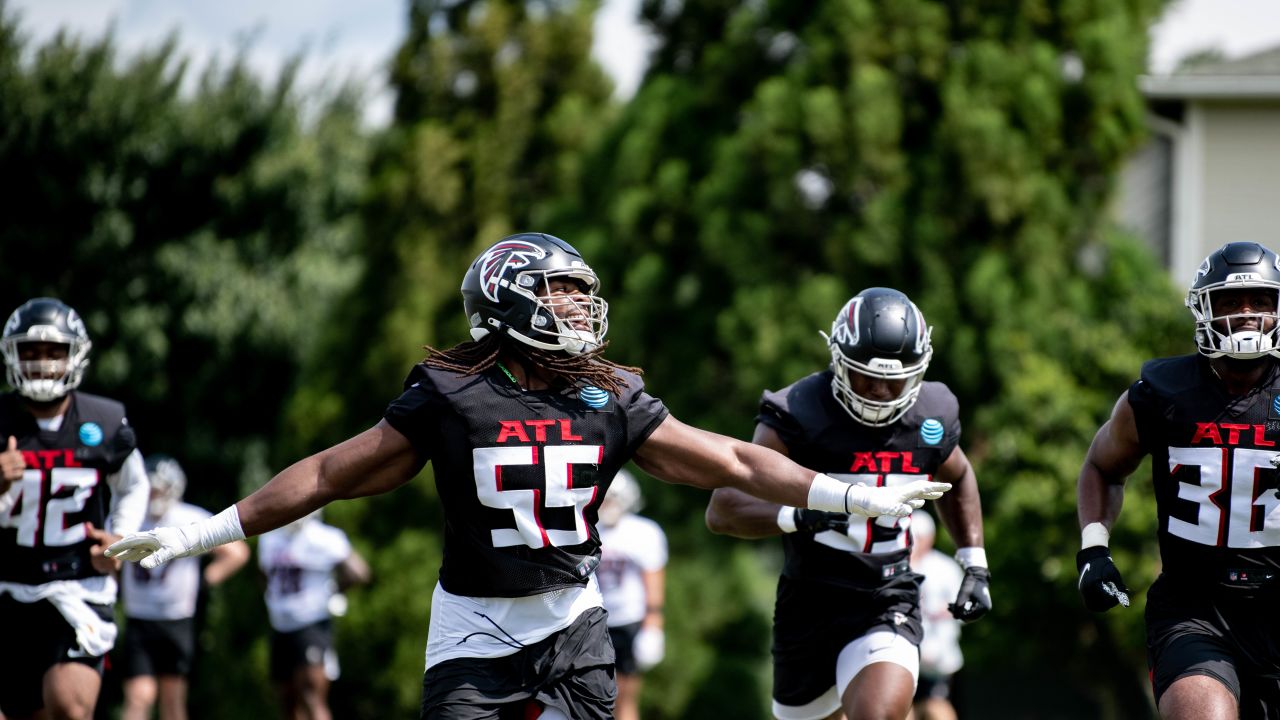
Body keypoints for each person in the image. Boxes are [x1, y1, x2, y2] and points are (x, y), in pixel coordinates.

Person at [106, 232, 951, 720]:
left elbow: (731, 459)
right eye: (563, 294)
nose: (584, 309)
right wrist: (196, 531)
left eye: (585, 295)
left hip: (573, 622)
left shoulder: (610, 395)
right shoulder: (450, 394)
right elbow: (329, 472)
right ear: (511, 301)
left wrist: (852, 493)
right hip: (472, 628)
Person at [705, 287, 991, 720]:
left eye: (893, 380)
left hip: (887, 593)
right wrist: (802, 515)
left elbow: (960, 475)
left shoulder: (931, 413)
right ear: (838, 362)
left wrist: (974, 562)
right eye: (865, 377)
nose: (878, 391)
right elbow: (723, 508)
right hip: (811, 598)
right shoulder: (799, 412)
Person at [1077, 241, 1280, 720]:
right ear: (1203, 309)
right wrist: (1093, 549)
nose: (1247, 315)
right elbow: (1102, 465)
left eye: (1261, 302)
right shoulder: (1161, 392)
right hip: (1196, 609)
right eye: (1231, 302)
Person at [0, 297, 149, 720]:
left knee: (68, 705)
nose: (43, 363)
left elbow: (134, 485)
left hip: (76, 586)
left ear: (74, 355)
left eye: (53, 352)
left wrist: (119, 537)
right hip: (6, 585)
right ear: (12, 356)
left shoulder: (103, 421)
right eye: (31, 353)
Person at [119, 455, 251, 720]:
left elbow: (237, 552)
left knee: (173, 699)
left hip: (176, 619)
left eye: (159, 488)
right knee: (138, 696)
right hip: (139, 618)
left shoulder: (188, 517)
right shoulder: (129, 516)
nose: (154, 494)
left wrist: (204, 582)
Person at [258, 511, 370, 720]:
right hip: (280, 625)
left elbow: (359, 572)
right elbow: (265, 576)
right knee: (287, 700)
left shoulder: (324, 537)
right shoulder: (269, 537)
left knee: (311, 696)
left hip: (311, 624)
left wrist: (336, 591)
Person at [595, 469, 667, 720]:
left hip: (629, 621)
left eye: (613, 498)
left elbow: (654, 580)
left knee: (625, 696)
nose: (608, 504)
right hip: (595, 622)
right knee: (597, 697)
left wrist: (653, 626)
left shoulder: (643, 532)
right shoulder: (590, 530)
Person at [907, 511, 964, 720]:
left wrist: (945, 611)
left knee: (935, 707)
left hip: (937, 656)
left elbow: (963, 608)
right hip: (905, 652)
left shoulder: (945, 568)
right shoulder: (897, 567)